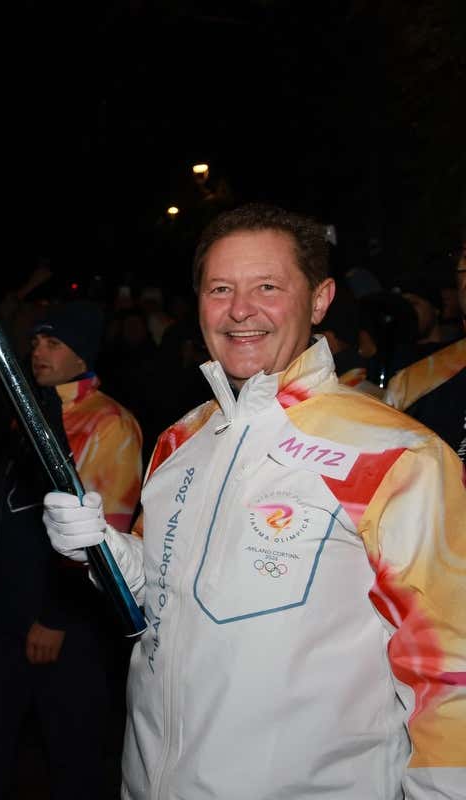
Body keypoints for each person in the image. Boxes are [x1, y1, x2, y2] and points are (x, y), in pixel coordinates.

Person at [42, 204, 466, 799]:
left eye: (268, 286)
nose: (241, 309)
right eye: (221, 289)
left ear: (319, 300)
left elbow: (451, 676)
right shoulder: (181, 438)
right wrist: (105, 552)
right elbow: (165, 598)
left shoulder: (396, 456)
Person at [0, 301, 143, 798]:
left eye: (53, 342)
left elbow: (107, 543)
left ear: (82, 354)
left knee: (71, 753)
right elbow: (4, 500)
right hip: (3, 609)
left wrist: (58, 618)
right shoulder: (35, 411)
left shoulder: (110, 425)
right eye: (35, 341)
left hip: (62, 623)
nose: (38, 350)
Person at [384, 237, 466, 460]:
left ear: (437, 309)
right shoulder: (405, 373)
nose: (407, 313)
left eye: (415, 304)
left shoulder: (450, 366)